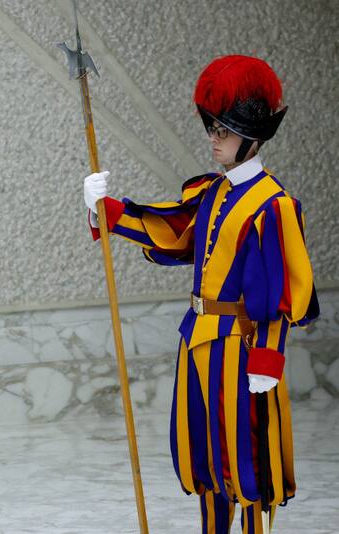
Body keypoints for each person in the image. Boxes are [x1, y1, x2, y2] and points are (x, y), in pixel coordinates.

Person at [82, 55, 318, 533]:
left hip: (241, 349)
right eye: (211, 125)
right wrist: (104, 208)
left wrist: (268, 362)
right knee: (205, 459)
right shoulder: (210, 193)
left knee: (247, 465)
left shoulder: (273, 206)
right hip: (197, 341)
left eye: (224, 129)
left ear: (253, 134)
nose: (214, 137)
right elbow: (173, 232)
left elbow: (277, 294)